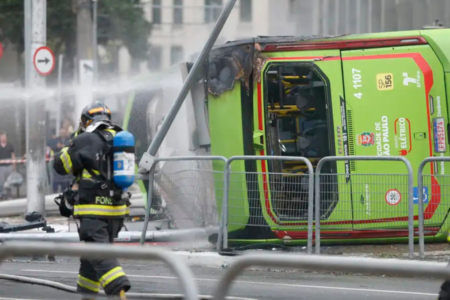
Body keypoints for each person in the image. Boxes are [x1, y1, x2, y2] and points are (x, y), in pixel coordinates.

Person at [53, 101, 131, 300]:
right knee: (90, 260)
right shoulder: (119, 137)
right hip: (116, 212)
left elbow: (61, 165)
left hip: (94, 212)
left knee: (100, 255)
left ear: (86, 121)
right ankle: (87, 296)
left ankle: (120, 292)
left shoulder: (86, 139)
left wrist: (72, 142)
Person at [0, 132, 15, 200]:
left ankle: (9, 195)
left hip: (9, 166)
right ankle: (2, 195)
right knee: (1, 182)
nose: (4, 138)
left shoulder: (10, 145)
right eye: (2, 136)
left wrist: (14, 165)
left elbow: (13, 155)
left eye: (5, 137)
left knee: (9, 182)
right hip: (1, 167)